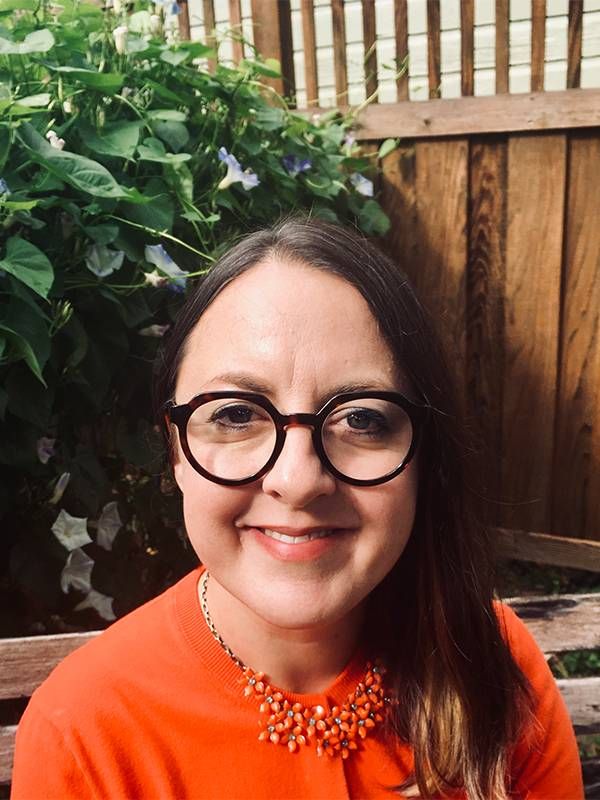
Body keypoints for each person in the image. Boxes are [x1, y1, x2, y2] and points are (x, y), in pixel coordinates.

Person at [11, 218, 583, 800]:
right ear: (176, 450)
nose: (298, 480)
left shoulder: (489, 659)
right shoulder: (84, 734)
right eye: (235, 414)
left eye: (362, 418)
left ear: (422, 457)